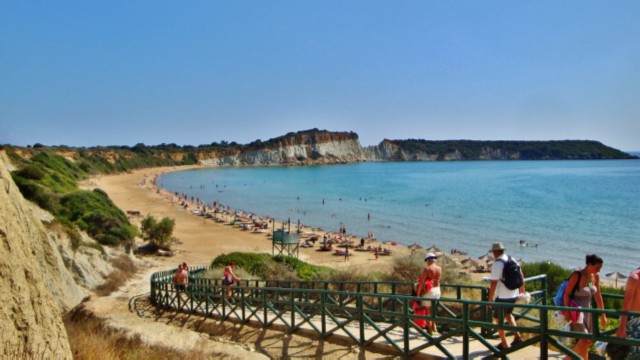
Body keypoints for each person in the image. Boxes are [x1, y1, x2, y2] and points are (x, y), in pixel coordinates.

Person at [563, 254, 607, 359]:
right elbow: (566, 294)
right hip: (576, 312)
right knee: (584, 339)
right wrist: (567, 312)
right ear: (589, 264)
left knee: (589, 340)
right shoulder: (577, 275)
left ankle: (567, 358)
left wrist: (603, 314)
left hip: (588, 311)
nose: (599, 270)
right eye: (597, 267)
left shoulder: (594, 277)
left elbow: (596, 294)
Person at [488, 242, 524, 351]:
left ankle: (504, 343)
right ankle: (517, 336)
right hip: (513, 293)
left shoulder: (497, 263)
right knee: (508, 314)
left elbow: (493, 283)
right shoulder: (511, 259)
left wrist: (490, 299)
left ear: (495, 252)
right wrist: (522, 291)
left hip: (502, 295)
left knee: (498, 318)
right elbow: (521, 275)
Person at [615, 267, 640, 355]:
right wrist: (622, 327)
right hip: (633, 320)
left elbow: (596, 292)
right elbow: (626, 305)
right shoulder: (634, 278)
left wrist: (592, 290)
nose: (598, 270)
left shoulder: (594, 276)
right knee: (632, 353)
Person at [416, 253, 442, 335]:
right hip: (437, 290)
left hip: (429, 291)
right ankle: (435, 329)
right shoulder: (439, 268)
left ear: (429, 260)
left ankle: (430, 332)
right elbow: (438, 280)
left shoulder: (427, 269)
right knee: (433, 311)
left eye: (427, 260)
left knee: (427, 311)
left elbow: (421, 283)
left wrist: (418, 294)